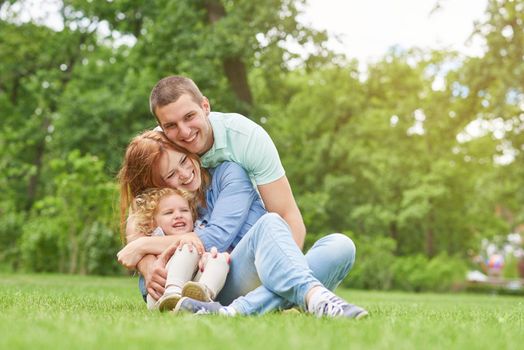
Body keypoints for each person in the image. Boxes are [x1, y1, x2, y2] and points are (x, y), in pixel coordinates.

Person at [117, 130, 368, 319]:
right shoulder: (168, 210)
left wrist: (143, 246)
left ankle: (234, 311)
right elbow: (149, 262)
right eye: (171, 175)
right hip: (215, 283)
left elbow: (217, 237)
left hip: (260, 268)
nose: (184, 174)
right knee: (270, 223)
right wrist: (146, 262)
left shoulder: (228, 174)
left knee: (341, 246)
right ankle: (315, 298)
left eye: (183, 160)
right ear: (157, 185)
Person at [149, 76, 306, 248]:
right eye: (171, 125)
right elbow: (141, 209)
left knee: (337, 247)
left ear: (205, 106)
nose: (185, 132)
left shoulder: (247, 138)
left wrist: (286, 266)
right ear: (161, 128)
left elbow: (286, 214)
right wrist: (145, 262)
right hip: (195, 245)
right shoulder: (161, 148)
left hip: (248, 236)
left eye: (189, 116)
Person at [129, 187, 230, 311]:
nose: (178, 215)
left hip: (188, 291)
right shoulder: (155, 239)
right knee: (188, 245)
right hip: (160, 295)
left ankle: (203, 300)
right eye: (168, 213)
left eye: (184, 210)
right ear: (153, 223)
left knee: (219, 258)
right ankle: (172, 295)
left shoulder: (198, 233)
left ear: (192, 216)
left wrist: (207, 258)